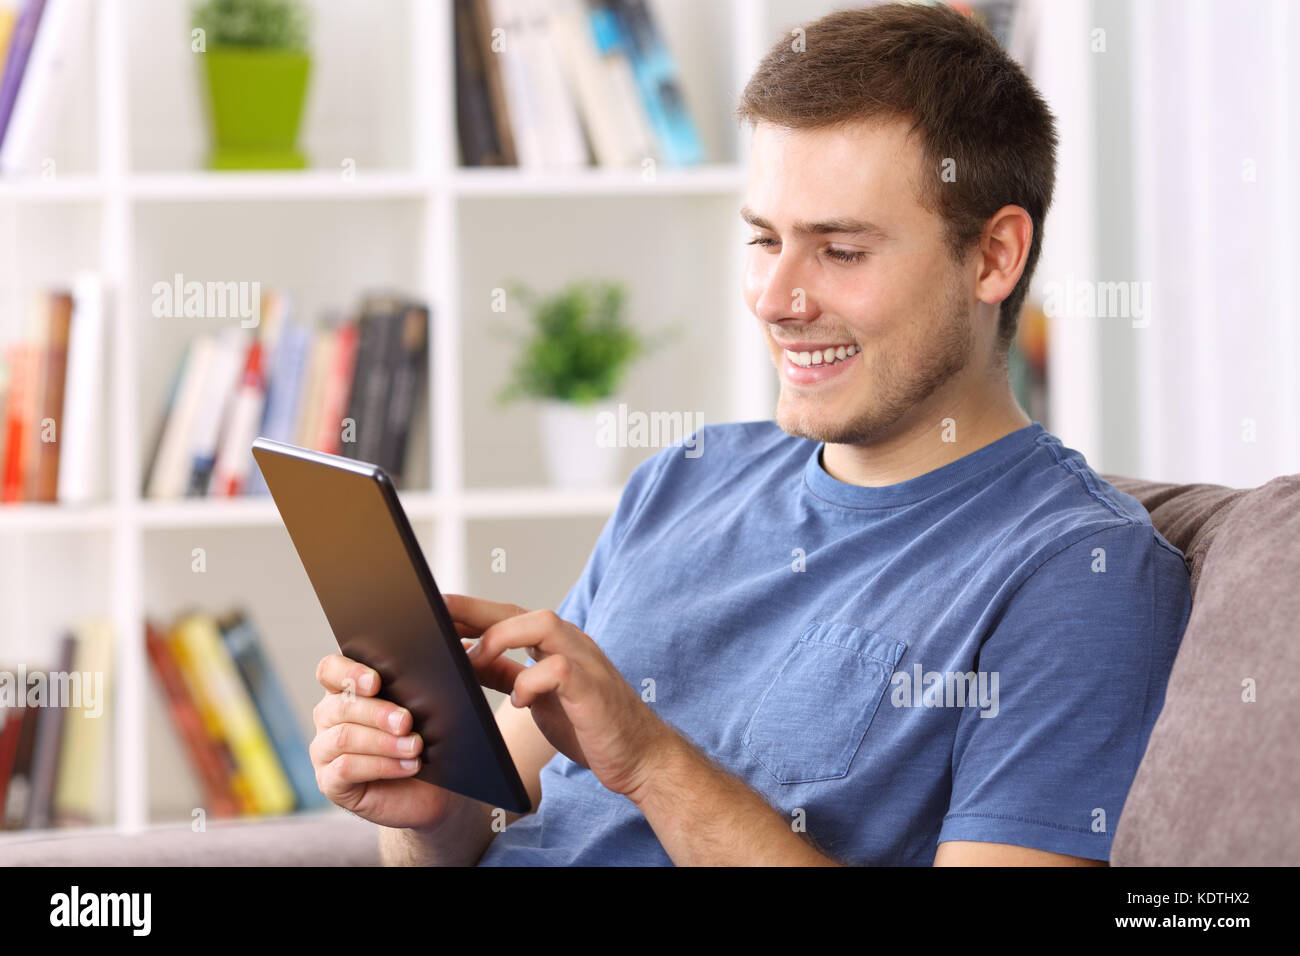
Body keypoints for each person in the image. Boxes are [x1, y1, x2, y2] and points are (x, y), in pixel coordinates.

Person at [309, 2, 1191, 866]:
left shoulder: (1082, 575)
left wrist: (652, 762)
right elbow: (479, 829)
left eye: (840, 251)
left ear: (994, 257)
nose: (777, 299)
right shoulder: (686, 478)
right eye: (765, 240)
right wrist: (430, 812)